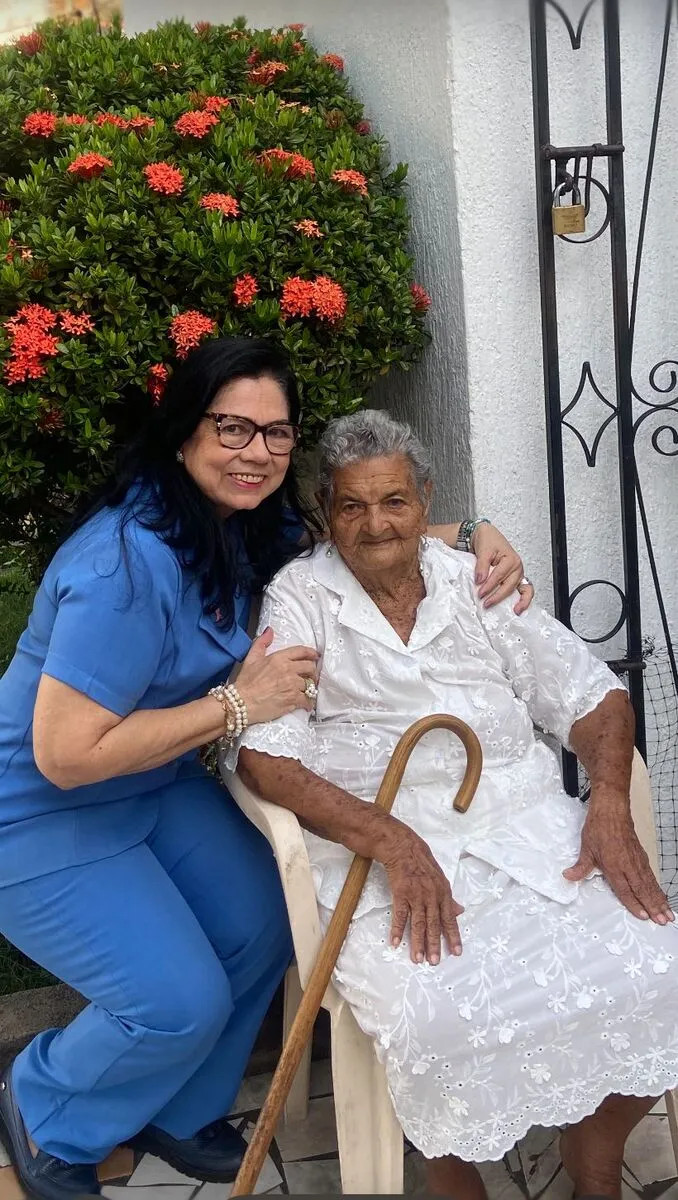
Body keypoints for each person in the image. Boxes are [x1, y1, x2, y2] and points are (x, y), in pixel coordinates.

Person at [0, 337, 531, 1200]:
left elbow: (374, 534)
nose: (258, 453)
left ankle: (178, 1108)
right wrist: (239, 708)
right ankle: (46, 1108)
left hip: (152, 781)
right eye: (233, 428)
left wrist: (474, 534)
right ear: (184, 432)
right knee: (175, 1001)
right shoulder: (123, 563)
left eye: (277, 434)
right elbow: (64, 755)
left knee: (268, 922)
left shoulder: (243, 520)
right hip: (39, 811)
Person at [236, 408, 678, 1200]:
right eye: (352, 506)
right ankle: (454, 1176)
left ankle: (596, 1164)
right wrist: (394, 840)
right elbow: (266, 758)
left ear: (425, 498)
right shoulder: (302, 597)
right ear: (327, 513)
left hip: (526, 826)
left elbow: (590, 695)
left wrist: (608, 801)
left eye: (395, 502)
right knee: (436, 1018)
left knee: (663, 969)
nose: (376, 525)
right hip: (378, 842)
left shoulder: (471, 578)